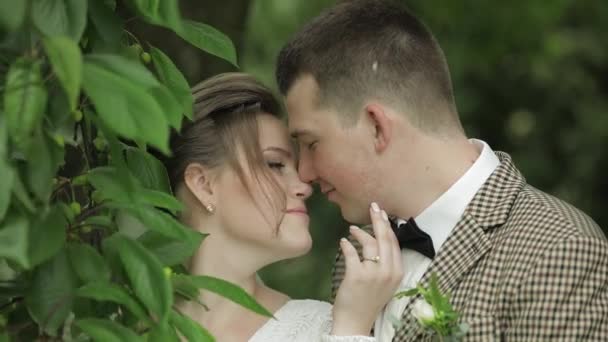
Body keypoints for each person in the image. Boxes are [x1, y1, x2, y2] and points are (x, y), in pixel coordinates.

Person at [275, 0, 608, 341]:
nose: (304, 172)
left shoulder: (560, 250)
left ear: (377, 126)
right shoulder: (360, 257)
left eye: (312, 143)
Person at [163, 72, 404, 342]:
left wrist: (350, 331)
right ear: (204, 184)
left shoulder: (326, 329)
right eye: (275, 164)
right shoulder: (122, 321)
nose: (304, 185)